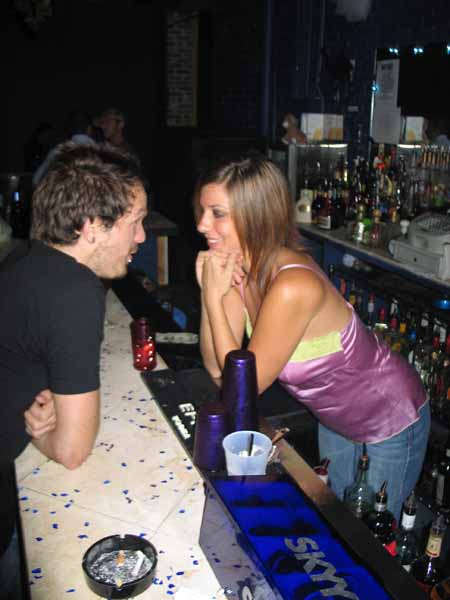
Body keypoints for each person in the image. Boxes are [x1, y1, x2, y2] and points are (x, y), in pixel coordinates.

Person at [194, 152, 430, 522]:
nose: (202, 224)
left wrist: (211, 295)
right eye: (203, 211)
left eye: (217, 213)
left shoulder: (292, 285)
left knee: (374, 531)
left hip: (389, 416)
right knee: (337, 519)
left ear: (256, 215)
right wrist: (212, 294)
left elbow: (242, 389)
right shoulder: (240, 269)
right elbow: (219, 372)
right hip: (334, 419)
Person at [0, 141, 147, 596]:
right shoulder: (75, 291)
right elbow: (72, 450)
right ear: (92, 227)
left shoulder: (26, 257)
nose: (142, 237)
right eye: (135, 222)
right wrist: (40, 432)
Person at [32, 110, 96, 187]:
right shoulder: (101, 151)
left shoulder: (57, 151)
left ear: (69, 130)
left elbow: (36, 180)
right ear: (89, 128)